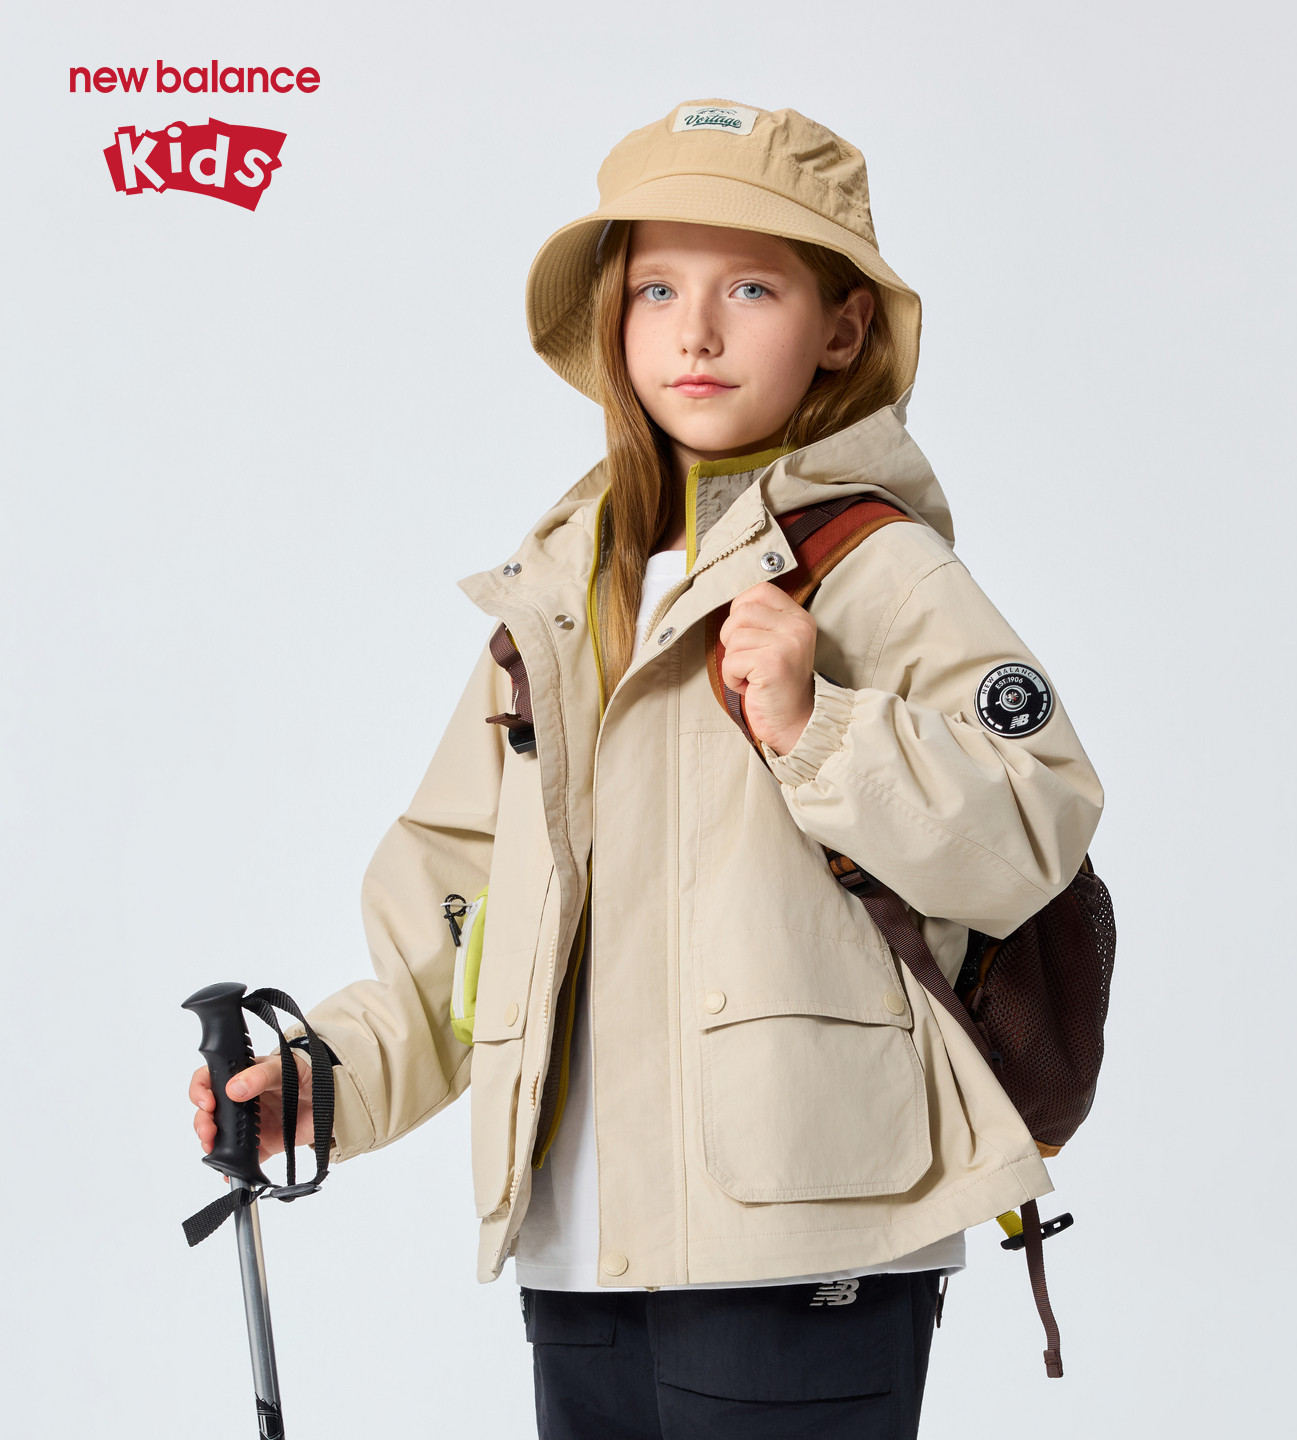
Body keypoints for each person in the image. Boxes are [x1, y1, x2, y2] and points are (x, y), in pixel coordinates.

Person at [189, 99, 1104, 1438]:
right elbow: (467, 915)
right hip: (581, 1249)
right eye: (657, 287)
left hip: (805, 1239)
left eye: (753, 286)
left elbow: (1035, 829)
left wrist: (817, 726)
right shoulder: (565, 591)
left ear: (842, 328)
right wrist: (333, 1078)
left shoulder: (880, 569)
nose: (696, 331)